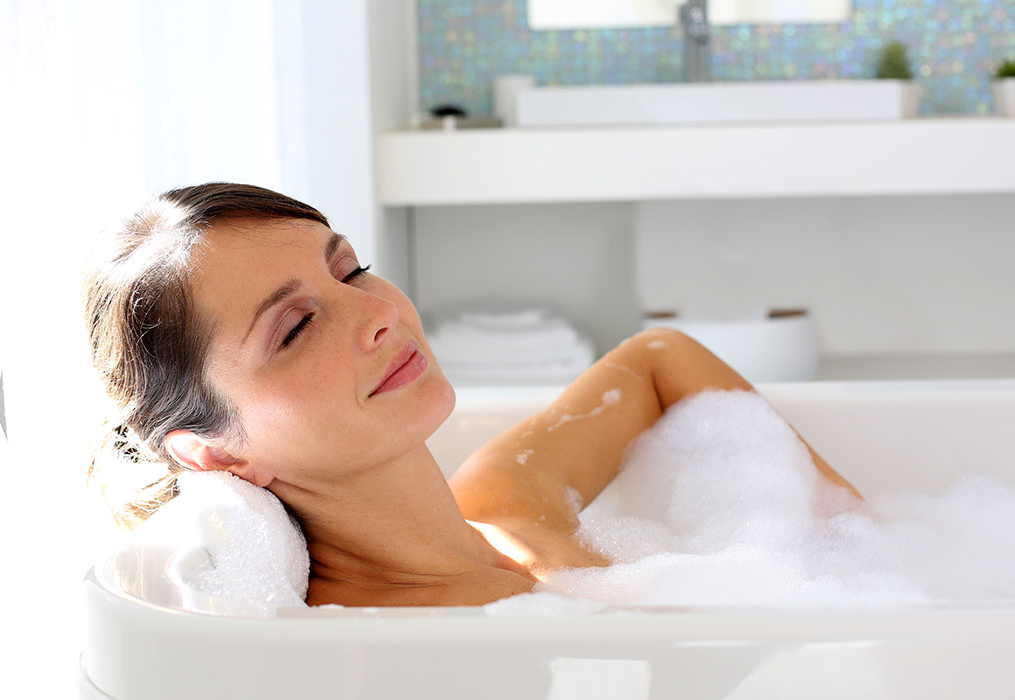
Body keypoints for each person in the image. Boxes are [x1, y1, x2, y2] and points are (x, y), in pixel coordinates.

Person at [84, 183, 860, 607]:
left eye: (349, 269)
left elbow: (663, 356)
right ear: (215, 451)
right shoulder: (374, 653)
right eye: (294, 328)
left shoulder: (504, 507)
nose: (381, 313)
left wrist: (850, 545)